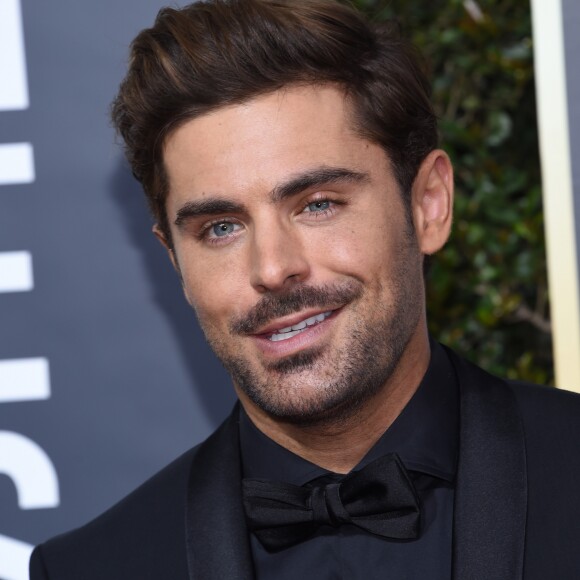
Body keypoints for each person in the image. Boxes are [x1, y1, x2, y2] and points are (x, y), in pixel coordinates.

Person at [29, 0, 580, 578]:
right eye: (221, 228)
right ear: (174, 261)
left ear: (427, 205)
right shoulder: (93, 568)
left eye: (318, 205)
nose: (272, 268)